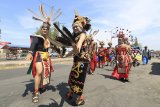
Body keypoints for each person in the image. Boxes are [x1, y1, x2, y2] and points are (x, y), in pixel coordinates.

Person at [26, 4, 55, 103]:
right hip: (38, 56)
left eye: (47, 28)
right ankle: (36, 92)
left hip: (46, 57)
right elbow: (33, 44)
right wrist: (30, 53)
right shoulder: (37, 37)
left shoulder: (49, 39)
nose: (45, 29)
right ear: (41, 29)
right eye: (43, 28)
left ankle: (42, 85)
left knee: (45, 73)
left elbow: (52, 47)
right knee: (38, 71)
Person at [64, 10, 91, 106]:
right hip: (77, 59)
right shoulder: (75, 37)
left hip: (83, 60)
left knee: (79, 78)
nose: (75, 28)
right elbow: (74, 50)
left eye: (77, 26)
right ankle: (71, 91)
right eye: (74, 26)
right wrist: (65, 55)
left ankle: (80, 97)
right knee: (72, 76)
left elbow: (78, 47)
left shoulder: (83, 34)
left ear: (82, 26)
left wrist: (76, 47)